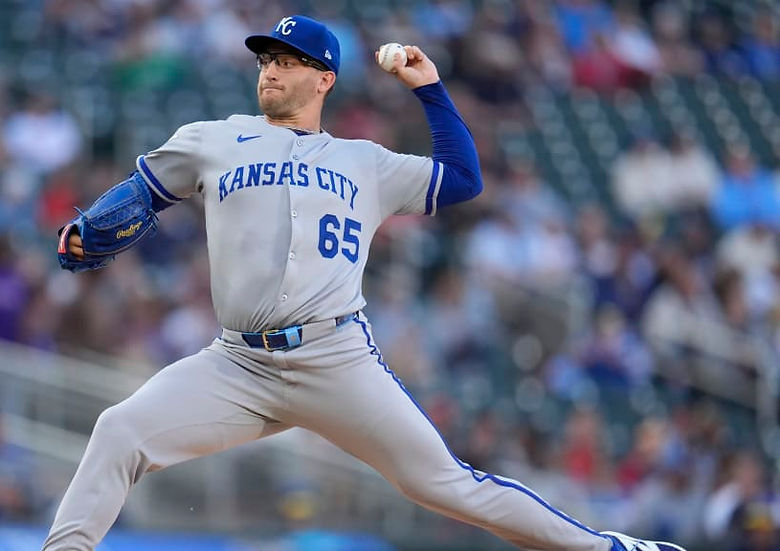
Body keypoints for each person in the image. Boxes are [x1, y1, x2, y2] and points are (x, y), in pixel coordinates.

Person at [44, 15, 685, 551]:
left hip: (337, 358)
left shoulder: (365, 162)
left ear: (323, 78)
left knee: (446, 486)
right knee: (119, 432)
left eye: (288, 61)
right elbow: (141, 193)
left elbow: (462, 178)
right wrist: (90, 227)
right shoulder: (213, 141)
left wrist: (429, 87)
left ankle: (610, 548)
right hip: (237, 364)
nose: (271, 68)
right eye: (266, 57)